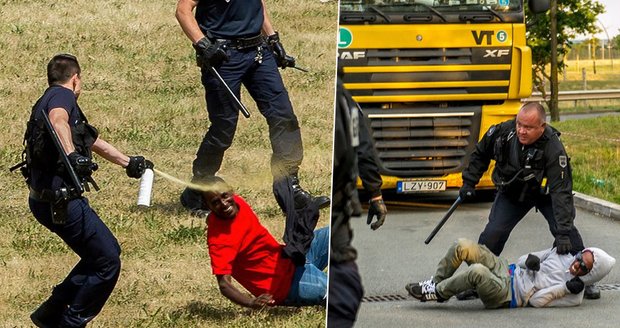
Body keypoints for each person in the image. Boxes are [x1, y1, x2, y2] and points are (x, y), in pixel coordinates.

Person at [21, 54, 153, 327]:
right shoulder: (62, 98)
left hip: (46, 201)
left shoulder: (49, 98)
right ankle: (70, 322)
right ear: (75, 78)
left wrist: (128, 162)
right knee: (107, 262)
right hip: (61, 203)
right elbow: (59, 122)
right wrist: (71, 156)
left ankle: (50, 312)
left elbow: (91, 141)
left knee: (104, 253)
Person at [175, 0, 329, 216]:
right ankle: (198, 191)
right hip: (223, 57)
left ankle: (290, 191)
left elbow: (258, 5)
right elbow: (183, 11)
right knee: (223, 128)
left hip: (258, 52)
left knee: (284, 117)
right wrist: (203, 45)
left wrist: (273, 38)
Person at [458, 102, 599, 298]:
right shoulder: (503, 132)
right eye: (520, 125)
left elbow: (561, 191)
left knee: (567, 235)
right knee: (493, 233)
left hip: (545, 194)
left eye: (529, 127)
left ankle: (586, 278)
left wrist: (563, 232)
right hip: (512, 192)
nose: (522, 131)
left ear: (542, 127)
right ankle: (475, 279)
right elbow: (480, 153)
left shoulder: (553, 147)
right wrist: (469, 182)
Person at [202, 177, 328, 308]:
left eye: (225, 196)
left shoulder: (238, 202)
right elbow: (224, 285)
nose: (224, 204)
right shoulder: (220, 242)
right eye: (215, 202)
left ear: (231, 191)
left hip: (294, 258)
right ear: (208, 206)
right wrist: (250, 302)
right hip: (284, 286)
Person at [328, 77, 388, 328]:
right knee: (344, 290)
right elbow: (364, 150)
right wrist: (375, 195)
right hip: (337, 211)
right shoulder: (346, 100)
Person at [405, 238, 615, 308]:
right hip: (506, 269)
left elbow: (536, 302)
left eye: (583, 268)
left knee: (477, 272)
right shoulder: (563, 254)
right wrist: (530, 261)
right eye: (580, 257)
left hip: (507, 294)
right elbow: (523, 260)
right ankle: (436, 283)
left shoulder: (575, 295)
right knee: (463, 245)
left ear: (590, 274)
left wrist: (563, 288)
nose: (576, 264)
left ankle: (438, 293)